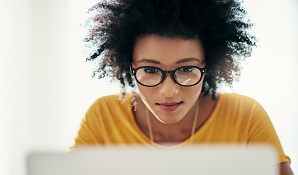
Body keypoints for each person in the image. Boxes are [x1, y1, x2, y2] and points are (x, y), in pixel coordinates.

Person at [71, 0, 293, 174]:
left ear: (208, 65)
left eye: (186, 70)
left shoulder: (245, 117)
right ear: (130, 67)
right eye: (150, 70)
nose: (169, 91)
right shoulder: (103, 117)